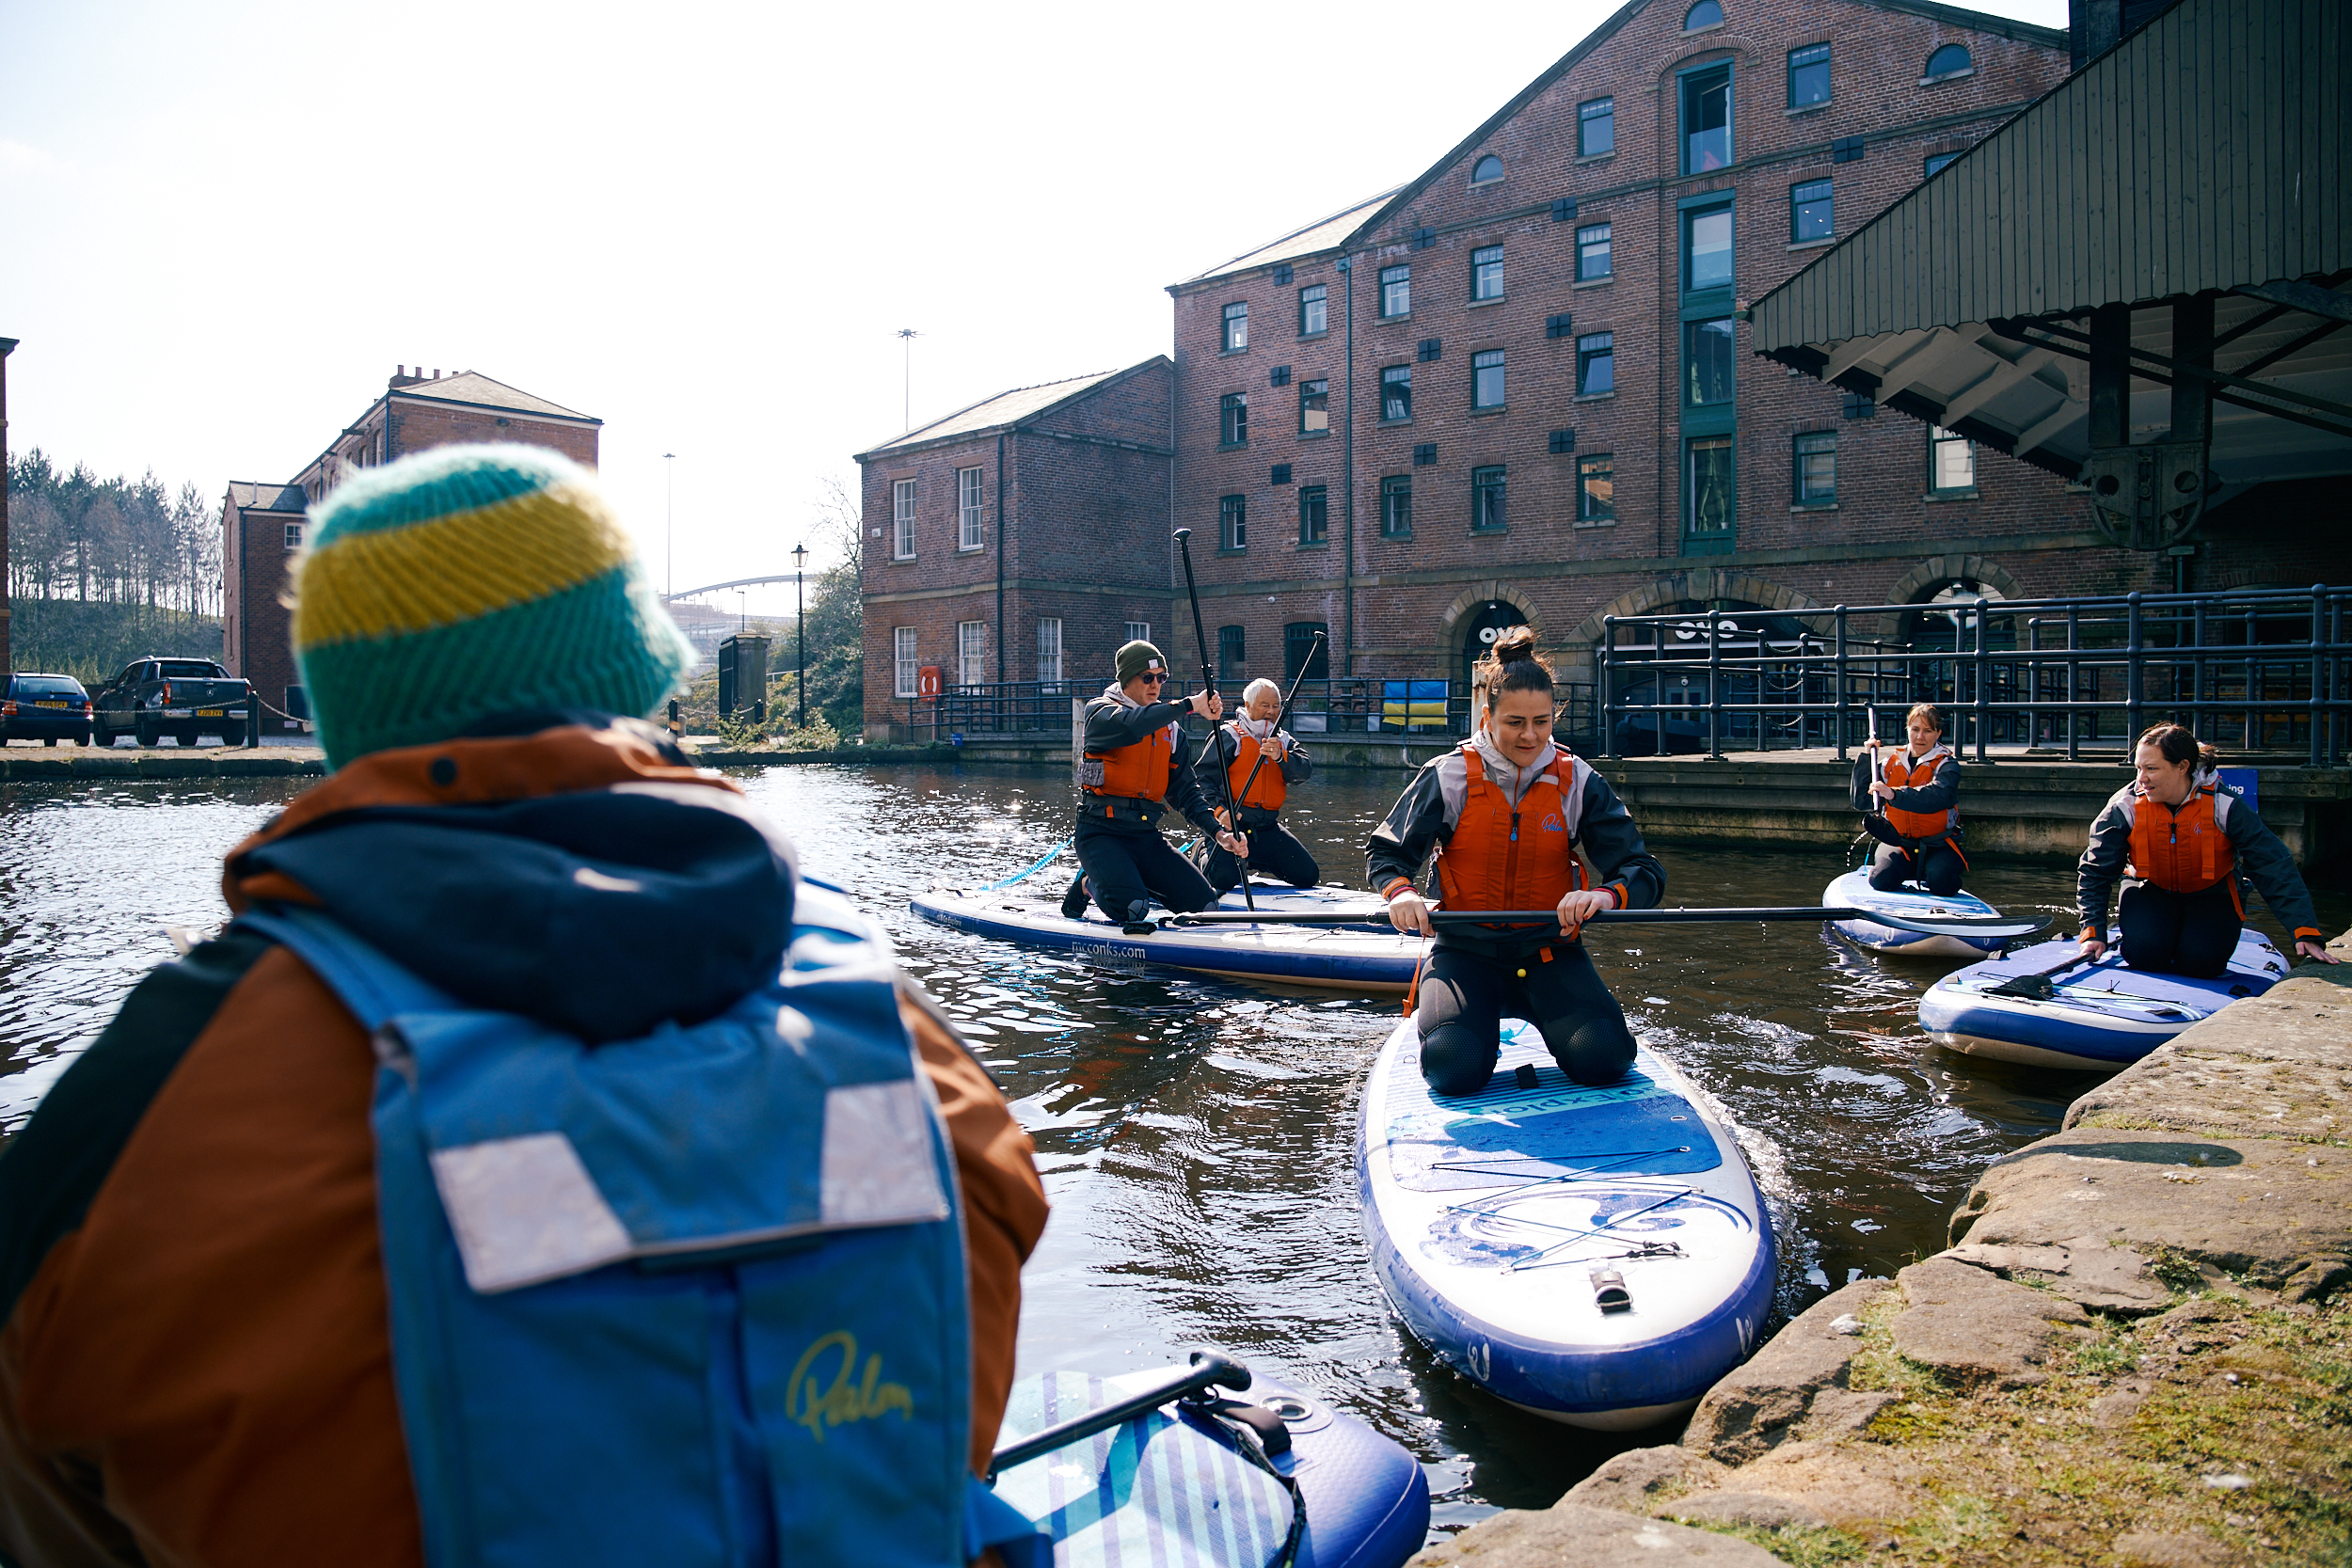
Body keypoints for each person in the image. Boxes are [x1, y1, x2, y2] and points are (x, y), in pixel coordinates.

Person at [0, 446, 1053, 1567]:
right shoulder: (880, 1002)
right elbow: (981, 1288)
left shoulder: (165, 1093)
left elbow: (39, 1468)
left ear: (350, 712)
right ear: (635, 676)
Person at [1368, 628, 1666, 1097]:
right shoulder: (1448, 776)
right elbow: (1387, 852)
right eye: (1514, 722)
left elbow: (1643, 871)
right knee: (1454, 1070)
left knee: (1605, 1059)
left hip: (1549, 950)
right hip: (1464, 952)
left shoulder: (1579, 781)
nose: (1530, 736)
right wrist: (1401, 892)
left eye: (1542, 722)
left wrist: (1605, 894)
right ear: (1486, 717)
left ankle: (1563, 1024)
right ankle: (1467, 1030)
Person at [2078, 722, 2336, 977]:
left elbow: (2273, 864)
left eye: (2151, 769)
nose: (2141, 779)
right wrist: (2092, 930)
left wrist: (2303, 930)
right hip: (2150, 889)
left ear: (2182, 767)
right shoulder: (2124, 806)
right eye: (2138, 768)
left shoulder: (2226, 806)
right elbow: (2095, 870)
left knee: (2200, 964)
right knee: (2144, 955)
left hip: (2213, 894)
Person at [1058, 641, 1247, 924]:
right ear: (1126, 679)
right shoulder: (1100, 713)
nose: (1155, 685)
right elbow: (1133, 724)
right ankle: (1087, 884)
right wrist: (1189, 705)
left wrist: (1219, 833)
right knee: (1133, 909)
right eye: (1147, 678)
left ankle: (1131, 878)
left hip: (1144, 834)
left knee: (1205, 907)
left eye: (1161, 678)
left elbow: (1186, 792)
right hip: (1100, 834)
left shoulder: (1171, 730)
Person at [1190, 676, 1320, 893]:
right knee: (1223, 879)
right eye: (1265, 705)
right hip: (1232, 828)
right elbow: (1203, 780)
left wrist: (1281, 756)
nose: (1271, 711)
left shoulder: (1284, 740)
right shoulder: (1228, 736)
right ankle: (1202, 851)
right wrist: (1220, 812)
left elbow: (1303, 772)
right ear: (1248, 706)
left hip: (1266, 828)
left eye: (1276, 706)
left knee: (1307, 875)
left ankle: (1251, 861)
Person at [1851, 703, 1964, 895]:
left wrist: (1894, 794)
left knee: (1943, 882)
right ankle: (1904, 872)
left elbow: (1937, 796)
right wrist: (1866, 758)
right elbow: (1861, 801)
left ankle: (1933, 874)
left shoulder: (1947, 765)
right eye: (1915, 729)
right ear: (1908, 730)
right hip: (1899, 843)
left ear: (1938, 734)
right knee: (1881, 879)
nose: (1920, 737)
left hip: (1939, 844)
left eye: (1928, 731)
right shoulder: (1889, 764)